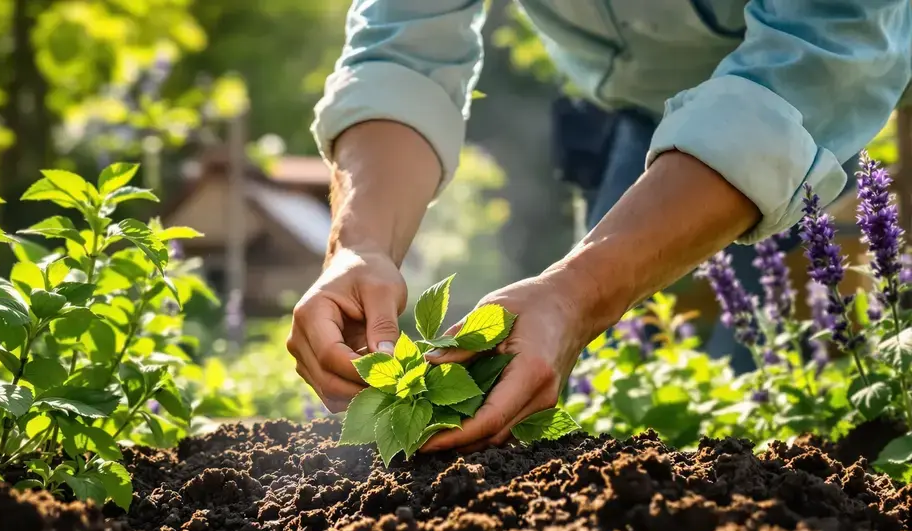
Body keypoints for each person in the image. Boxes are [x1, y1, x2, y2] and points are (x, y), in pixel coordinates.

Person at [287, 1, 912, 454]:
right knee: (582, 389)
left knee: (764, 401)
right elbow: (402, 50)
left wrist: (577, 294)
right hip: (635, 102)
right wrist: (359, 245)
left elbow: (828, 56)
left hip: (811, 103)